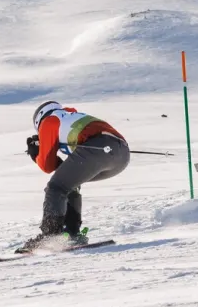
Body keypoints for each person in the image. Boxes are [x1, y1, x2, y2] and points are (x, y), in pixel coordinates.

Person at [20, 100, 130, 252]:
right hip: (121, 155)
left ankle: (50, 236)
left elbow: (47, 166)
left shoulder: (49, 121)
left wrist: (35, 154)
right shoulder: (70, 116)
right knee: (68, 183)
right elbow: (66, 170)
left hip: (100, 147)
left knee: (56, 187)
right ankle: (71, 233)